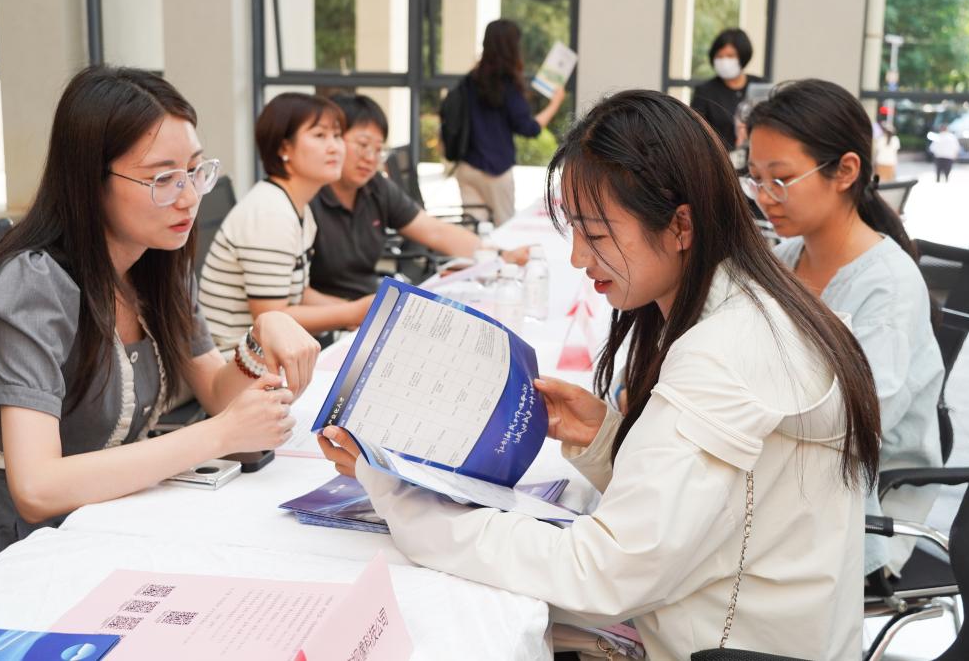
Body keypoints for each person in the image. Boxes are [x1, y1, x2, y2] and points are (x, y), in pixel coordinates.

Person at [320, 89, 883, 659]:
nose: (578, 258)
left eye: (596, 233)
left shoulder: (726, 351)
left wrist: (401, 495)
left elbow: (601, 574)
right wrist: (606, 439)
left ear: (681, 225)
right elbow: (709, 503)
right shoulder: (754, 303)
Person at [0, 66, 319, 567]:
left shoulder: (156, 263)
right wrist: (218, 435)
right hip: (20, 551)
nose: (190, 197)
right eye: (162, 178)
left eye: (195, 171)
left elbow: (216, 391)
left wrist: (261, 334)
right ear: (90, 180)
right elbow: (37, 487)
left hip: (109, 524)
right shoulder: (34, 282)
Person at [745, 79, 943, 578]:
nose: (765, 197)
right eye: (755, 179)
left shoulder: (888, 287)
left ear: (846, 171)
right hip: (787, 481)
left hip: (859, 510)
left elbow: (853, 425)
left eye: (780, 179)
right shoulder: (785, 259)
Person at [309, 94, 529, 300]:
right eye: (363, 145)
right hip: (330, 317)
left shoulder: (375, 187)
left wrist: (500, 255)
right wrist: (354, 312)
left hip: (367, 302)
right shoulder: (309, 196)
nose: (370, 158)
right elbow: (297, 297)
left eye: (378, 150)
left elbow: (435, 231)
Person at [199, 93, 373, 351]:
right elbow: (271, 317)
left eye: (337, 136)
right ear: (283, 149)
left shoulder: (296, 207)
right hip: (235, 361)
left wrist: (359, 311)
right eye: (320, 135)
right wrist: (353, 312)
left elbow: (299, 293)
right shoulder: (271, 214)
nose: (335, 147)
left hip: (267, 354)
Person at [454, 19, 565, 226]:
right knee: (504, 231)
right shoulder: (508, 85)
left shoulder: (469, 80)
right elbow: (529, 128)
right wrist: (555, 104)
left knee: (473, 232)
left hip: (466, 167)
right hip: (496, 171)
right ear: (513, 47)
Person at [691, 28, 762, 151]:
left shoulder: (760, 86)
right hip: (720, 157)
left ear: (742, 57)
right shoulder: (705, 91)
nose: (724, 61)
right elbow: (695, 130)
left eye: (730, 56)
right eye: (719, 56)